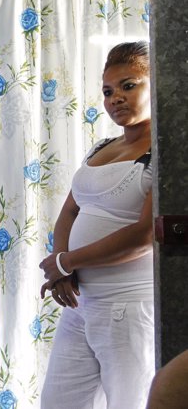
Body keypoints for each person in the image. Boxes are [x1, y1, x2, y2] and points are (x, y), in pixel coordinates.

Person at [39, 41, 154, 409]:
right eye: (108, 91)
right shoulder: (101, 147)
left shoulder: (169, 150)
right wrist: (60, 264)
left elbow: (145, 235)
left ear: (157, 85)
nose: (116, 98)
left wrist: (67, 263)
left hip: (128, 310)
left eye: (129, 85)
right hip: (81, 305)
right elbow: (70, 211)